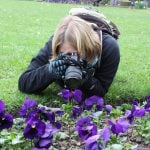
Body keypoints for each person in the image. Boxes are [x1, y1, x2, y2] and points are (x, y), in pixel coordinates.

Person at [18, 14, 120, 98]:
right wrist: (49, 71)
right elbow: (24, 83)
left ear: (88, 49)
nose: (72, 59)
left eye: (77, 54)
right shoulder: (56, 43)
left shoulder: (108, 48)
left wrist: (87, 81)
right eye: (66, 55)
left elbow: (101, 91)